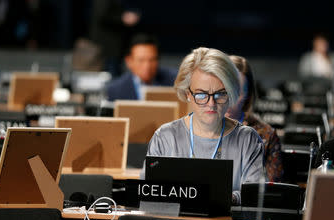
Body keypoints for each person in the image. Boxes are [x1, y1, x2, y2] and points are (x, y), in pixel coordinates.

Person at [144, 47, 265, 205]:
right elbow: (152, 196)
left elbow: (254, 196)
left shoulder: (247, 139)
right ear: (188, 94)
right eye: (201, 95)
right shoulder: (165, 137)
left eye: (220, 94)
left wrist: (225, 198)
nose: (211, 104)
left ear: (231, 93)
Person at [225, 55, 283, 182]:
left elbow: (271, 190)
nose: (229, 100)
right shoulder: (201, 128)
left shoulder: (267, 135)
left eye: (238, 93)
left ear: (247, 95)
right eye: (225, 90)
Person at [105, 33, 177, 101]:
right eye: (141, 60)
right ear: (129, 61)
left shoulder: (175, 83)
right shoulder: (115, 90)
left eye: (152, 60)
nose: (147, 66)